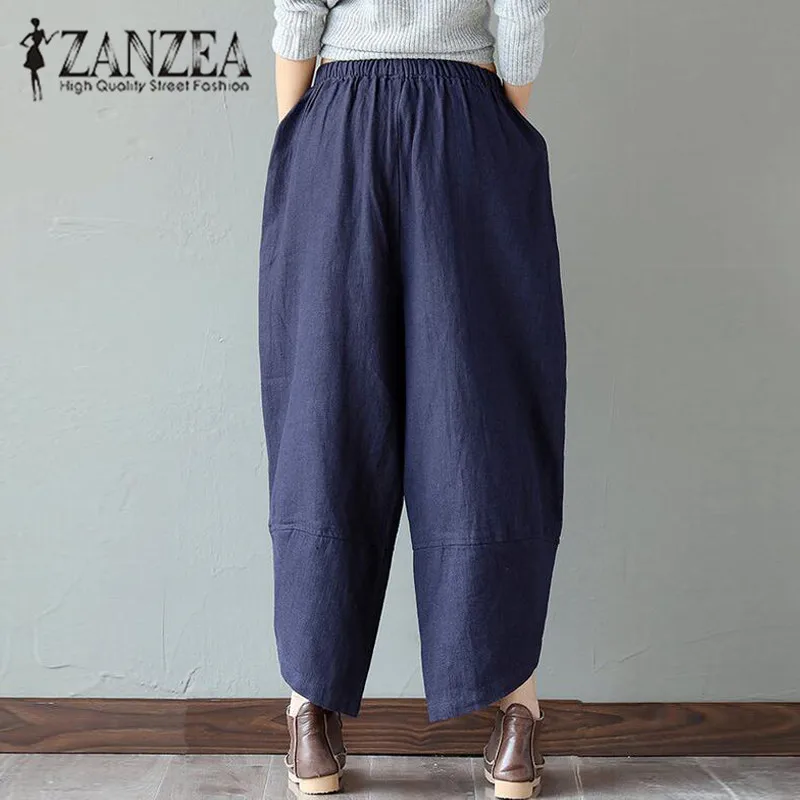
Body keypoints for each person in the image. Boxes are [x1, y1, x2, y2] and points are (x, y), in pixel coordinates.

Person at [259, 1, 565, 796]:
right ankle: (516, 716)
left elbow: (300, 8)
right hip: (470, 118)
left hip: (339, 116)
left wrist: (304, 133)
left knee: (326, 410)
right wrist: (487, 121)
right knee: (483, 416)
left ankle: (309, 712)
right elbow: (520, 13)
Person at [21, 18, 58, 102]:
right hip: (34, 52)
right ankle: (38, 92)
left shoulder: (34, 33)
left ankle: (36, 93)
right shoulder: (39, 32)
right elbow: (47, 42)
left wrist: (26, 45)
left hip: (33, 52)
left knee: (33, 73)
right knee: (33, 73)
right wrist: (53, 35)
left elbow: (22, 42)